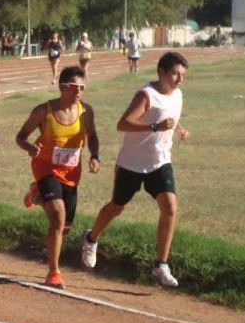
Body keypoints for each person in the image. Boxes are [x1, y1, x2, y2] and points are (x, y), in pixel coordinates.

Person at [80, 52, 190, 287]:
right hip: (131, 163)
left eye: (183, 75)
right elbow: (123, 123)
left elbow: (170, 113)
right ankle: (91, 239)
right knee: (116, 208)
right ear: (161, 72)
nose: (179, 79)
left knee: (170, 207)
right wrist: (155, 126)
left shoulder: (178, 93)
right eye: (175, 74)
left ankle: (161, 265)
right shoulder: (146, 95)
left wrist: (179, 128)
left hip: (160, 161)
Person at [15, 66, 100, 289]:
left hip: (72, 173)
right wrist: (30, 148)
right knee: (58, 217)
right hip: (45, 168)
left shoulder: (86, 112)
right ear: (62, 87)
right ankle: (54, 272)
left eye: (82, 87)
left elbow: (92, 135)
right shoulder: (44, 111)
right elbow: (21, 137)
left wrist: (95, 155)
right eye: (74, 87)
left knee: (65, 227)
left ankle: (37, 195)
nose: (79, 92)